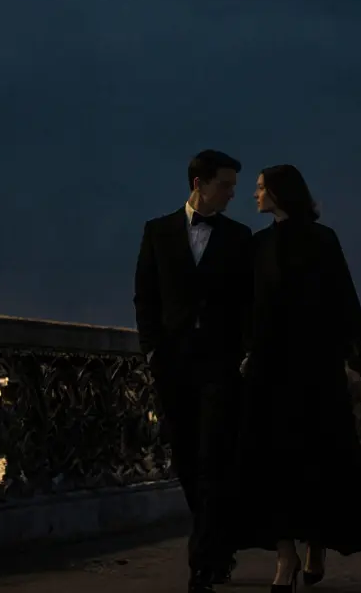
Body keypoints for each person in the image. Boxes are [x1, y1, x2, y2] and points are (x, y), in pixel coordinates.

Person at [231, 164, 361, 591]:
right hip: (270, 369)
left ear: (280, 193)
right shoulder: (258, 244)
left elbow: (344, 300)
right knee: (273, 465)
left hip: (316, 369)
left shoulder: (324, 240)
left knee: (316, 462)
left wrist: (356, 362)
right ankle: (285, 557)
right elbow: (248, 306)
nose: (255, 195)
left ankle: (316, 542)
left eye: (261, 187)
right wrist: (248, 351)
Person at [133, 149, 253, 593]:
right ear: (199, 184)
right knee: (186, 460)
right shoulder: (157, 231)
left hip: (222, 365)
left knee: (211, 461)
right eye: (225, 185)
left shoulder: (240, 238)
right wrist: (151, 352)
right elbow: (145, 297)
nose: (232, 194)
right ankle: (218, 546)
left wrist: (245, 351)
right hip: (173, 365)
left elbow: (250, 302)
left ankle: (203, 560)